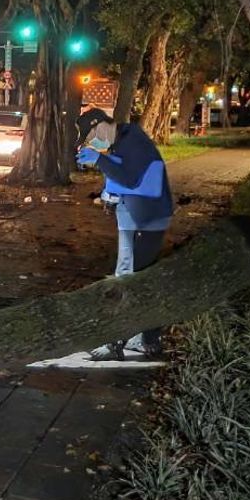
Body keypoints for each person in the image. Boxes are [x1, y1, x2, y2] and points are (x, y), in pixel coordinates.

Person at [75, 107, 173, 360]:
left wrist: (98, 160)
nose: (93, 144)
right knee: (138, 276)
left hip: (146, 219)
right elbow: (125, 176)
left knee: (128, 277)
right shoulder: (124, 140)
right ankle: (146, 340)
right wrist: (110, 194)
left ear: (101, 126)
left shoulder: (133, 141)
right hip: (139, 216)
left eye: (91, 138)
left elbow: (131, 178)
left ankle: (117, 342)